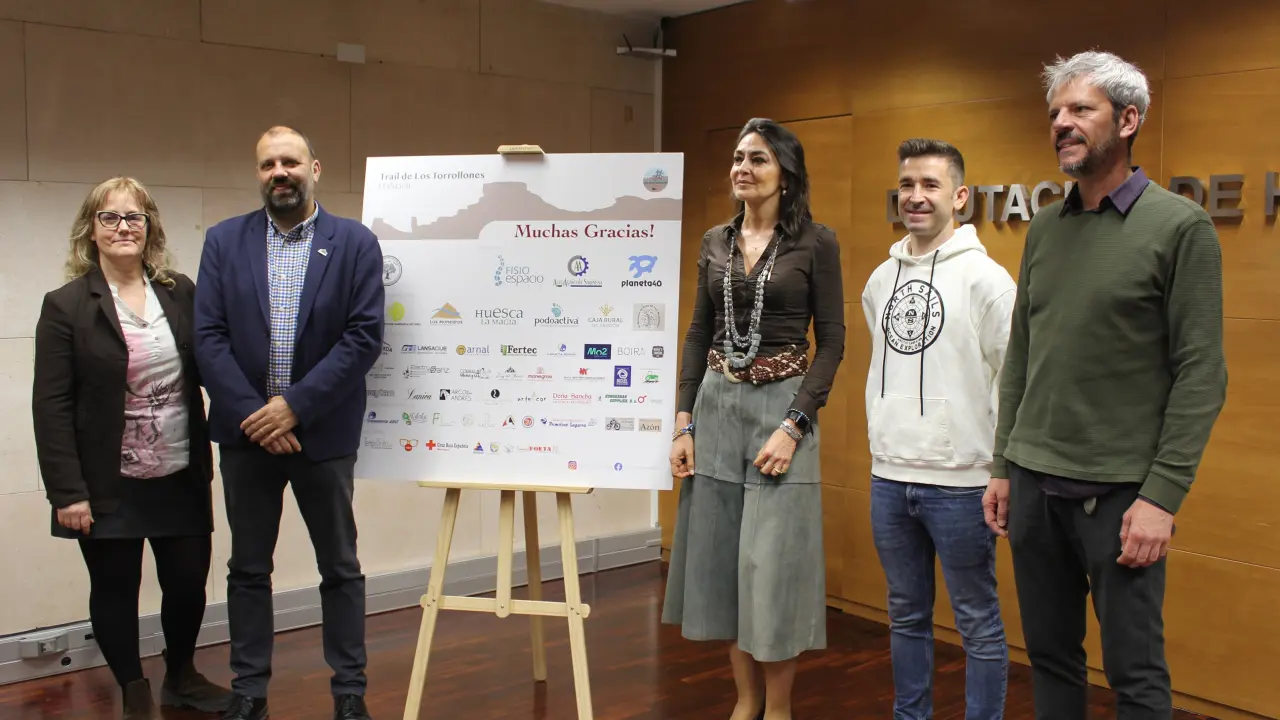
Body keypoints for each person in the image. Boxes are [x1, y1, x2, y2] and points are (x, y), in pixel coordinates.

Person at [983, 51, 1227, 718]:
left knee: (1134, 673)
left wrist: (1162, 497)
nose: (1061, 123)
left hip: (1122, 496)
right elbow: (1022, 355)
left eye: (1080, 109)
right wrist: (1003, 464)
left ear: (1127, 120)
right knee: (1050, 659)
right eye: (1055, 113)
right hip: (1033, 485)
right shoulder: (1044, 228)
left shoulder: (1181, 227)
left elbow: (1203, 373)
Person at [194, 126, 385, 720]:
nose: (279, 172)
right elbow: (208, 338)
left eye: (290, 162)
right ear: (259, 174)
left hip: (322, 434)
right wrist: (259, 416)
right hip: (247, 436)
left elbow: (363, 337)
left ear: (314, 169)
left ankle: (349, 692)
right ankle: (249, 692)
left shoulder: (354, 243)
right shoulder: (224, 241)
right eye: (268, 164)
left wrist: (294, 407)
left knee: (340, 567)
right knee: (248, 569)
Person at [664, 117, 845, 720]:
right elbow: (698, 333)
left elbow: (833, 343)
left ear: (786, 174)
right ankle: (745, 703)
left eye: (759, 158)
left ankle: (780, 709)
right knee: (725, 566)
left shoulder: (817, 242)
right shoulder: (714, 240)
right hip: (717, 405)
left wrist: (795, 426)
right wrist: (684, 421)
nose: (743, 167)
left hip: (782, 412)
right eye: (739, 157)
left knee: (770, 567)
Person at [32, 177, 231, 719]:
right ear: (90, 230)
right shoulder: (67, 305)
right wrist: (67, 492)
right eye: (110, 217)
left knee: (187, 583)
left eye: (134, 217)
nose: (123, 227)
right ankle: (134, 690)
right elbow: (51, 406)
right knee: (115, 587)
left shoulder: (180, 291)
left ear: (150, 228)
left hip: (180, 472)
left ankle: (182, 677)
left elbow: (213, 363)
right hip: (107, 483)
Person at [863, 139, 1014, 719]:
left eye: (930, 185)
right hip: (888, 478)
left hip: (962, 484)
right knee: (905, 616)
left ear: (960, 196)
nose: (916, 196)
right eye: (907, 185)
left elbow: (1013, 379)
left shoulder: (988, 281)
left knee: (977, 623)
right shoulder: (881, 280)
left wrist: (1001, 469)